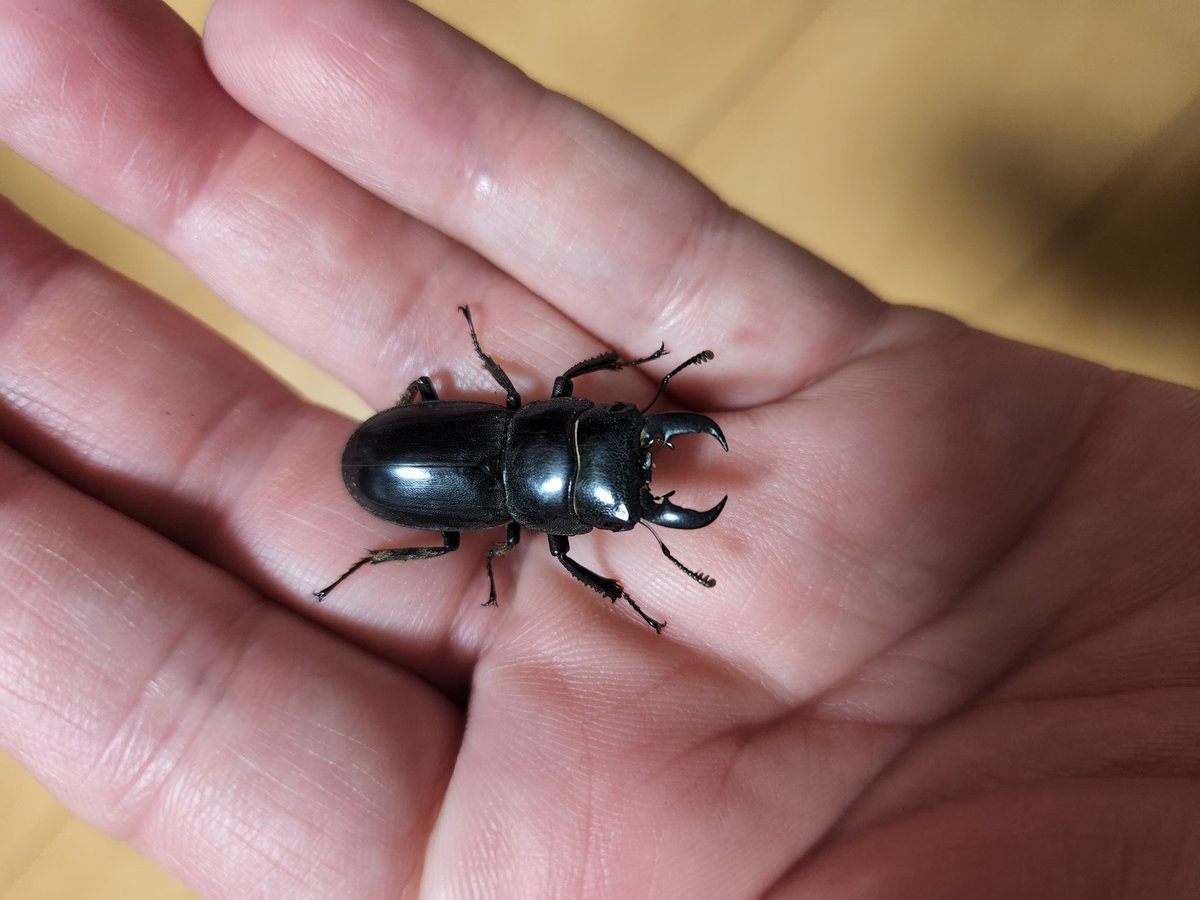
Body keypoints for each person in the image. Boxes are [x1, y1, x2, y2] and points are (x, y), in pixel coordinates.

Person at [1, 1, 1196, 897]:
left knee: (456, 533)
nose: (631, 454)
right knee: (447, 537)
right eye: (619, 449)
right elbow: (574, 502)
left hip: (416, 459)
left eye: (618, 451)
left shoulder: (535, 445)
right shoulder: (540, 479)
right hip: (412, 465)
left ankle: (387, 550)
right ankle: (381, 556)